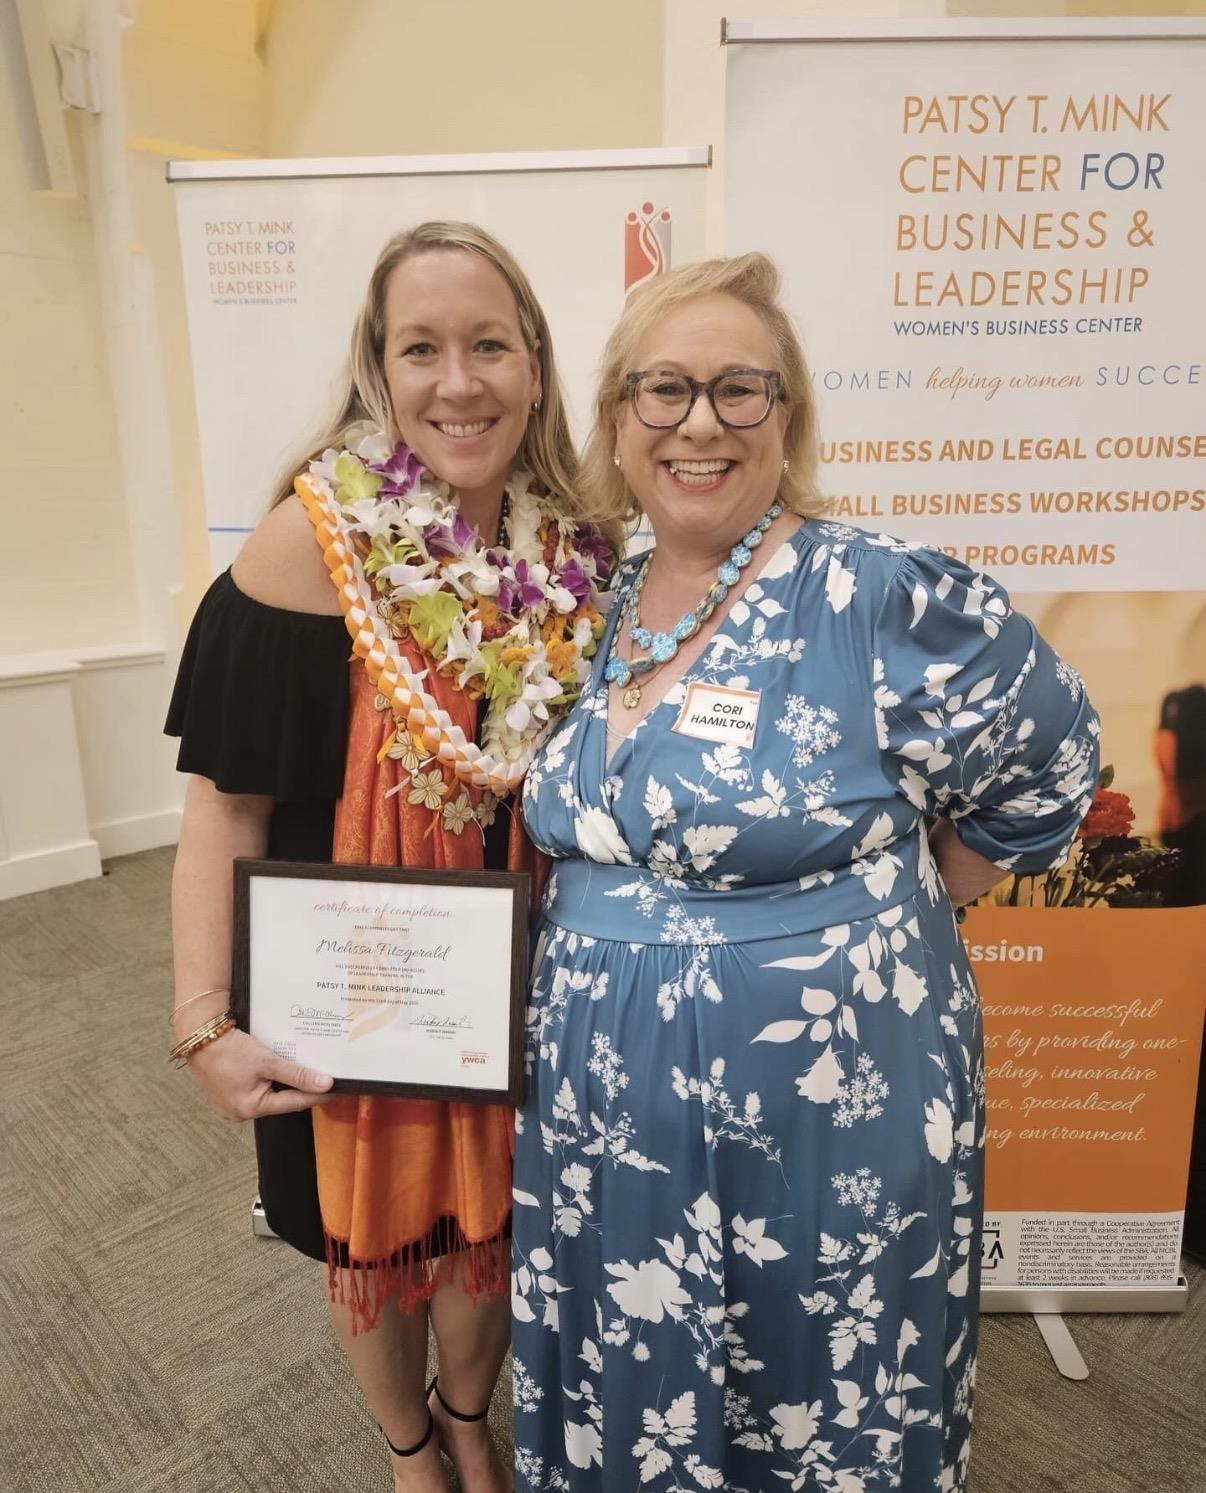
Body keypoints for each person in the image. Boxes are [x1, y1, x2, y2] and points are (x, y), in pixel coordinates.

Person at [511, 252, 1100, 1491]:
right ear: (617, 420)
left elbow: (1057, 755)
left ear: (788, 419)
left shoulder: (875, 593)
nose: (700, 424)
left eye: (741, 389)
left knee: (821, 1373)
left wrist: (913, 902)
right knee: (643, 1362)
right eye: (664, 390)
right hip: (609, 1107)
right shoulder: (583, 600)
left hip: (832, 1100)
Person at [167, 222, 615, 1493]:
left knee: (500, 1222)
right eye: (421, 347)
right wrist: (204, 1022)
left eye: (487, 344)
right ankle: (414, 1447)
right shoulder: (310, 547)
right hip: (351, 982)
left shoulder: (576, 553)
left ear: (534, 360)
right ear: (378, 366)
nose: (457, 381)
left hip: (523, 978)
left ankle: (468, 1410)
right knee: (375, 1238)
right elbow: (224, 809)